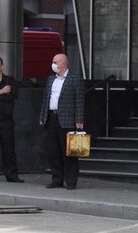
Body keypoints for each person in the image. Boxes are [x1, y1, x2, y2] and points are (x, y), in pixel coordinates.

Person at [38, 53, 84, 190]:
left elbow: (80, 100)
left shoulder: (75, 79)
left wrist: (79, 120)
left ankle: (71, 181)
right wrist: (42, 116)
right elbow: (46, 99)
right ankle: (57, 179)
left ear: (63, 63)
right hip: (52, 117)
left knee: (69, 152)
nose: (53, 64)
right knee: (53, 151)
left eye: (55, 62)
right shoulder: (51, 79)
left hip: (68, 120)